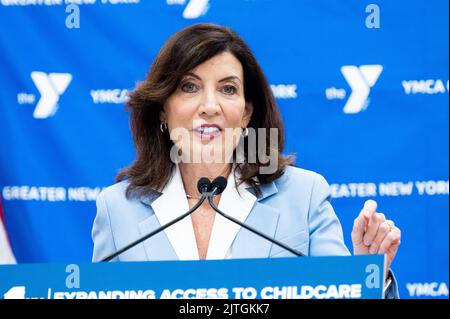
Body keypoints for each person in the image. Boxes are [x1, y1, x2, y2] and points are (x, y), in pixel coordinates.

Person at [92, 23, 401, 299]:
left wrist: (367, 281)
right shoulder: (117, 208)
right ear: (163, 108)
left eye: (228, 89)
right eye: (189, 87)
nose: (210, 106)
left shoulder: (304, 196)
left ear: (246, 113)